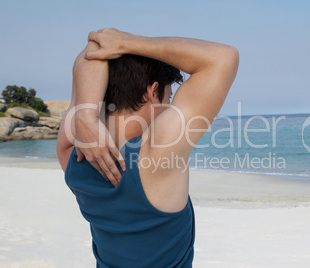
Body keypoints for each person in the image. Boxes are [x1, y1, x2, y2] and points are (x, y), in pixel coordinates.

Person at [56, 28, 239, 267]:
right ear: (153, 92)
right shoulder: (155, 157)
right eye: (169, 98)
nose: (171, 106)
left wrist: (87, 114)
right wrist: (128, 43)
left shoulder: (71, 154)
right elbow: (224, 57)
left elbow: (93, 48)